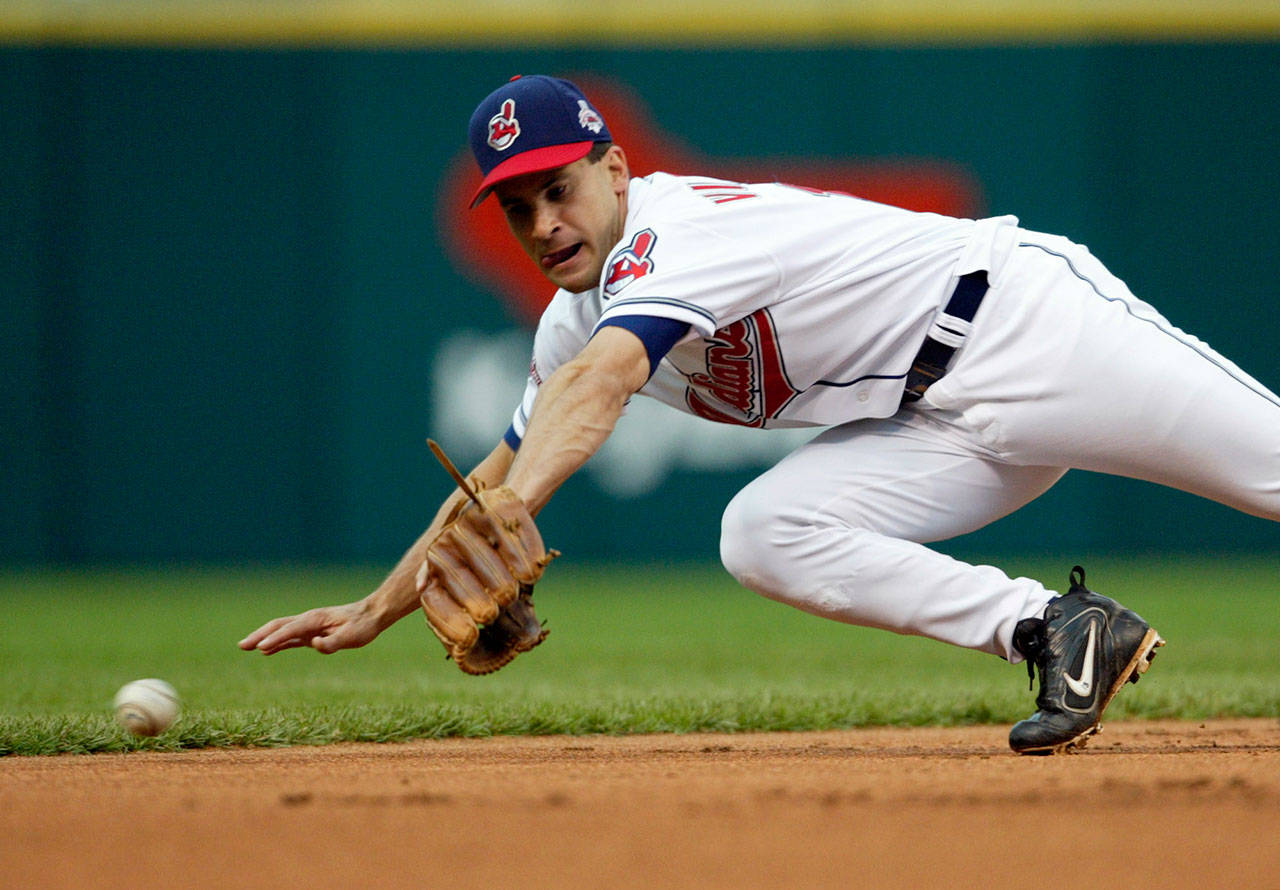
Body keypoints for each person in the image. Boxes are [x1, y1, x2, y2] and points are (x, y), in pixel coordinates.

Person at [240, 74, 1280, 754]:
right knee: (763, 530)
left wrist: (515, 510)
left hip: (1027, 326)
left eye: (557, 190)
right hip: (933, 426)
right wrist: (379, 605)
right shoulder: (571, 318)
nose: (543, 223)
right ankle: (1056, 630)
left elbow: (600, 388)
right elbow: (497, 472)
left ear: (614, 168)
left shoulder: (676, 233)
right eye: (518, 208)